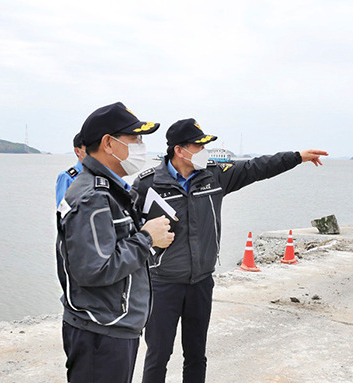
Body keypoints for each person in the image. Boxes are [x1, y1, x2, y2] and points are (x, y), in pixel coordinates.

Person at [131, 118, 328, 383]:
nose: (204, 151)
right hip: (163, 284)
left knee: (196, 355)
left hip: (201, 282)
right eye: (198, 145)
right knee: (158, 355)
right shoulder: (147, 184)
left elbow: (257, 167)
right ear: (179, 150)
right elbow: (128, 232)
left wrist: (296, 157)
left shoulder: (214, 175)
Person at [55, 102, 175, 383]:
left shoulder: (110, 189)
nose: (141, 146)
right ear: (109, 143)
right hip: (101, 331)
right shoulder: (92, 197)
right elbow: (94, 269)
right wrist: (147, 238)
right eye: (134, 139)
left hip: (113, 327)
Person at [55, 132, 86, 207]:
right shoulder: (67, 177)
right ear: (78, 151)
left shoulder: (99, 175)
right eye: (89, 148)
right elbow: (62, 210)